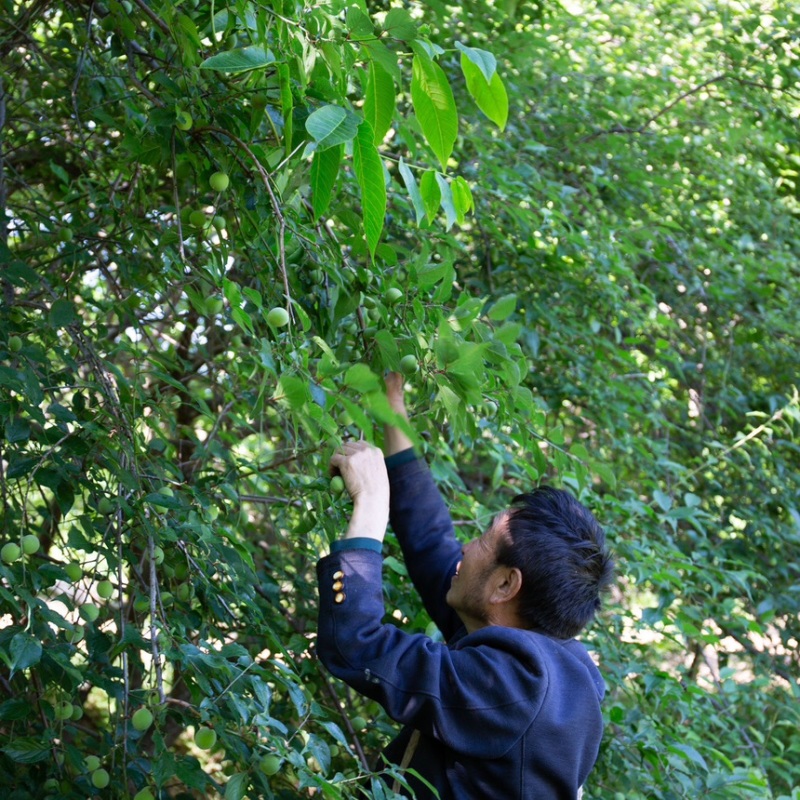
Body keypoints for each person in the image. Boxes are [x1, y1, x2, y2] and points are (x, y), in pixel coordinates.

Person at [316, 373, 614, 799]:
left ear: (506, 585)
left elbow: (357, 644)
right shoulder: (530, 652)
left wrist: (370, 505)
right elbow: (431, 544)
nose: (467, 548)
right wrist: (390, 409)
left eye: (485, 540)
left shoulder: (513, 689)